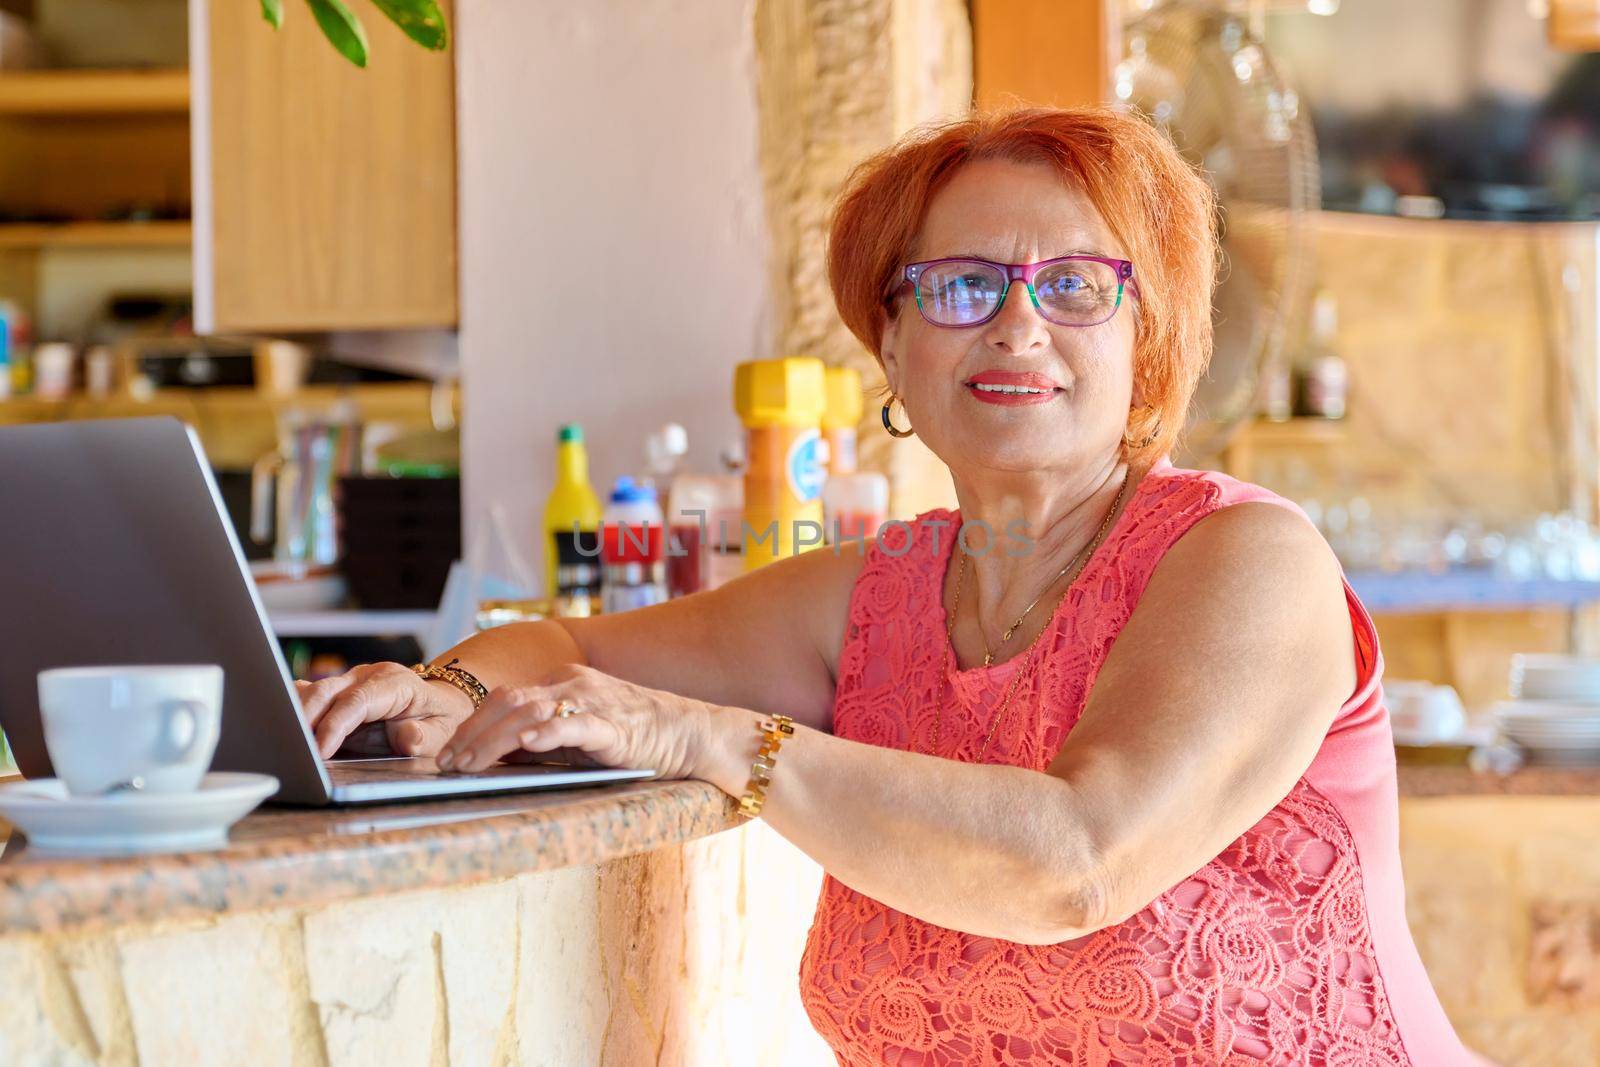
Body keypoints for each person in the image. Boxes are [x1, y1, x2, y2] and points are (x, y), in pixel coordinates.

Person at [299, 107, 1472, 1063]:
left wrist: (716, 740)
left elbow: (1078, 863)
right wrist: (444, 689)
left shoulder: (1246, 559)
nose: (1017, 324)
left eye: (1076, 286)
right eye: (962, 286)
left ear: (1146, 343)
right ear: (894, 343)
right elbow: (564, 643)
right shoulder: (874, 598)